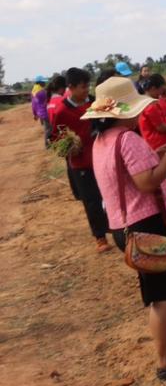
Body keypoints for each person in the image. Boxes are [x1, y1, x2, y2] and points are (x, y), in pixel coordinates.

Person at [85, 77, 166, 380]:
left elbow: (133, 173)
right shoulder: (127, 138)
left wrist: (163, 152)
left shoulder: (103, 141)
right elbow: (146, 182)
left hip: (128, 222)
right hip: (146, 223)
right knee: (161, 294)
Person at [49, 67, 111, 253]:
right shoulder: (61, 111)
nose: (86, 90)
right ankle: (100, 237)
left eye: (87, 86)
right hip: (81, 163)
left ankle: (115, 226)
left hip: (103, 158)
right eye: (83, 87)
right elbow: (55, 139)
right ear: (71, 87)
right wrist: (70, 147)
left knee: (109, 194)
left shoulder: (96, 103)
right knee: (91, 200)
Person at [31, 76, 51, 145]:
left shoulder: (34, 91)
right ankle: (47, 145)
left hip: (40, 113)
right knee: (49, 129)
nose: (45, 83)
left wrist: (35, 114)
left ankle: (49, 143)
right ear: (40, 82)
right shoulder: (42, 92)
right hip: (45, 113)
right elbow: (47, 102)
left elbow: (33, 104)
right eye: (43, 82)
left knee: (47, 128)